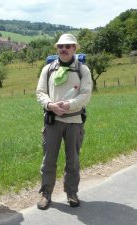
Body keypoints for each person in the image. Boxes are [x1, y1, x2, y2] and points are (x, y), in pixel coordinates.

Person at [36, 33, 92, 210]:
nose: (64, 49)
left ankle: (71, 193)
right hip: (52, 121)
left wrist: (68, 105)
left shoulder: (83, 70)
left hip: (74, 121)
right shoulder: (48, 69)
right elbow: (40, 92)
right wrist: (50, 105)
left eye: (68, 46)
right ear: (57, 49)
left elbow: (85, 95)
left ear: (75, 48)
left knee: (73, 160)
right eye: (60, 46)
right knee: (48, 160)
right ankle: (46, 194)